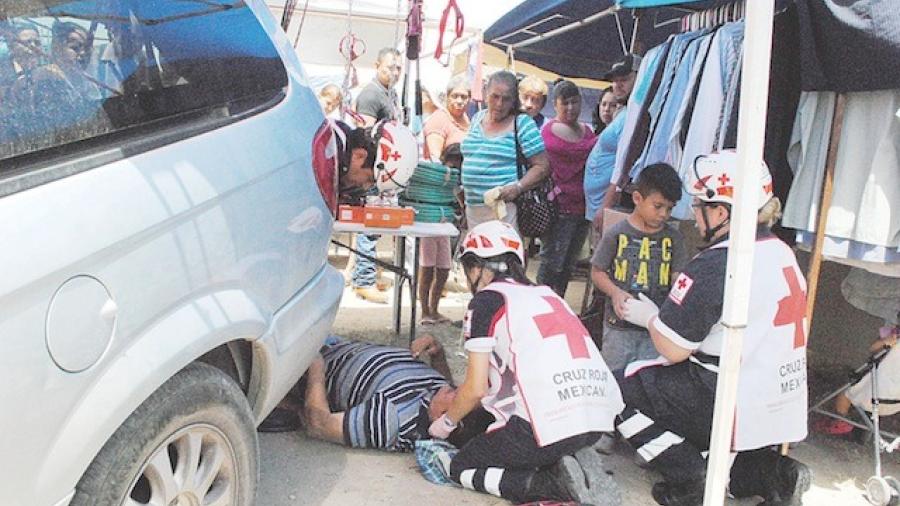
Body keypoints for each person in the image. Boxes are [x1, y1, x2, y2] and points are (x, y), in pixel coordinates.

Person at [615, 151, 811, 506]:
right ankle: (775, 475)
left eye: (698, 205)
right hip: (780, 396)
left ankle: (693, 481)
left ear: (721, 212)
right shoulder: (782, 253)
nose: (692, 213)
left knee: (616, 389)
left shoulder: (717, 263)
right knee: (722, 441)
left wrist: (648, 317)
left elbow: (673, 349)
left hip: (728, 395)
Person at [428, 221, 624, 505]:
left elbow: (475, 388)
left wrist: (446, 424)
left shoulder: (486, 301)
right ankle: (568, 457)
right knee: (510, 440)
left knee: (462, 466)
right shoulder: (547, 294)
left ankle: (550, 483)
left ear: (476, 267)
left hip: (548, 426)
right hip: (596, 422)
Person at [590, 163, 687, 372]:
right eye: (658, 206)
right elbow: (597, 272)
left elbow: (678, 277)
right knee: (614, 379)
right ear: (637, 198)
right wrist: (615, 292)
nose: (664, 214)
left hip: (656, 328)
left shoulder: (674, 238)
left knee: (649, 380)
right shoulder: (616, 233)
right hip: (619, 326)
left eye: (669, 208)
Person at [460, 71, 550, 230]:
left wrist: (518, 187)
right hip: (472, 211)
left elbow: (542, 167)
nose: (500, 104)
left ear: (514, 100)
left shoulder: (522, 124)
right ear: (485, 93)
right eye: (495, 96)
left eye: (506, 99)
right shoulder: (477, 119)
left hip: (506, 213)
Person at [350, 47, 403, 303]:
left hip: (386, 169)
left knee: (378, 224)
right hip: (374, 168)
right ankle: (363, 280)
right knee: (369, 226)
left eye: (398, 68)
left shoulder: (390, 93)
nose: (394, 72)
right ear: (377, 66)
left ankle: (365, 274)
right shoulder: (371, 94)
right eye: (389, 68)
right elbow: (365, 136)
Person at [536, 80, 597, 297]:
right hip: (558, 209)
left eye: (574, 102)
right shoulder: (548, 133)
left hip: (583, 208)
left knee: (569, 265)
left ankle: (558, 304)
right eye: (565, 103)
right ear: (555, 104)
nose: (570, 108)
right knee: (552, 262)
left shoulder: (587, 131)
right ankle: (541, 303)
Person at [593, 54, 641, 234]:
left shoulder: (638, 113)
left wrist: (607, 204)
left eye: (624, 79)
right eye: (614, 80)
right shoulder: (627, 111)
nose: (617, 85)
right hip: (611, 203)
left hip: (622, 201)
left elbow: (623, 164)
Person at [416, 143, 463, 325]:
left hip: (444, 227)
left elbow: (459, 196)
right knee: (427, 269)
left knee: (443, 269)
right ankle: (425, 311)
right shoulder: (437, 178)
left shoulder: (454, 181)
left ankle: (433, 310)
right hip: (430, 225)